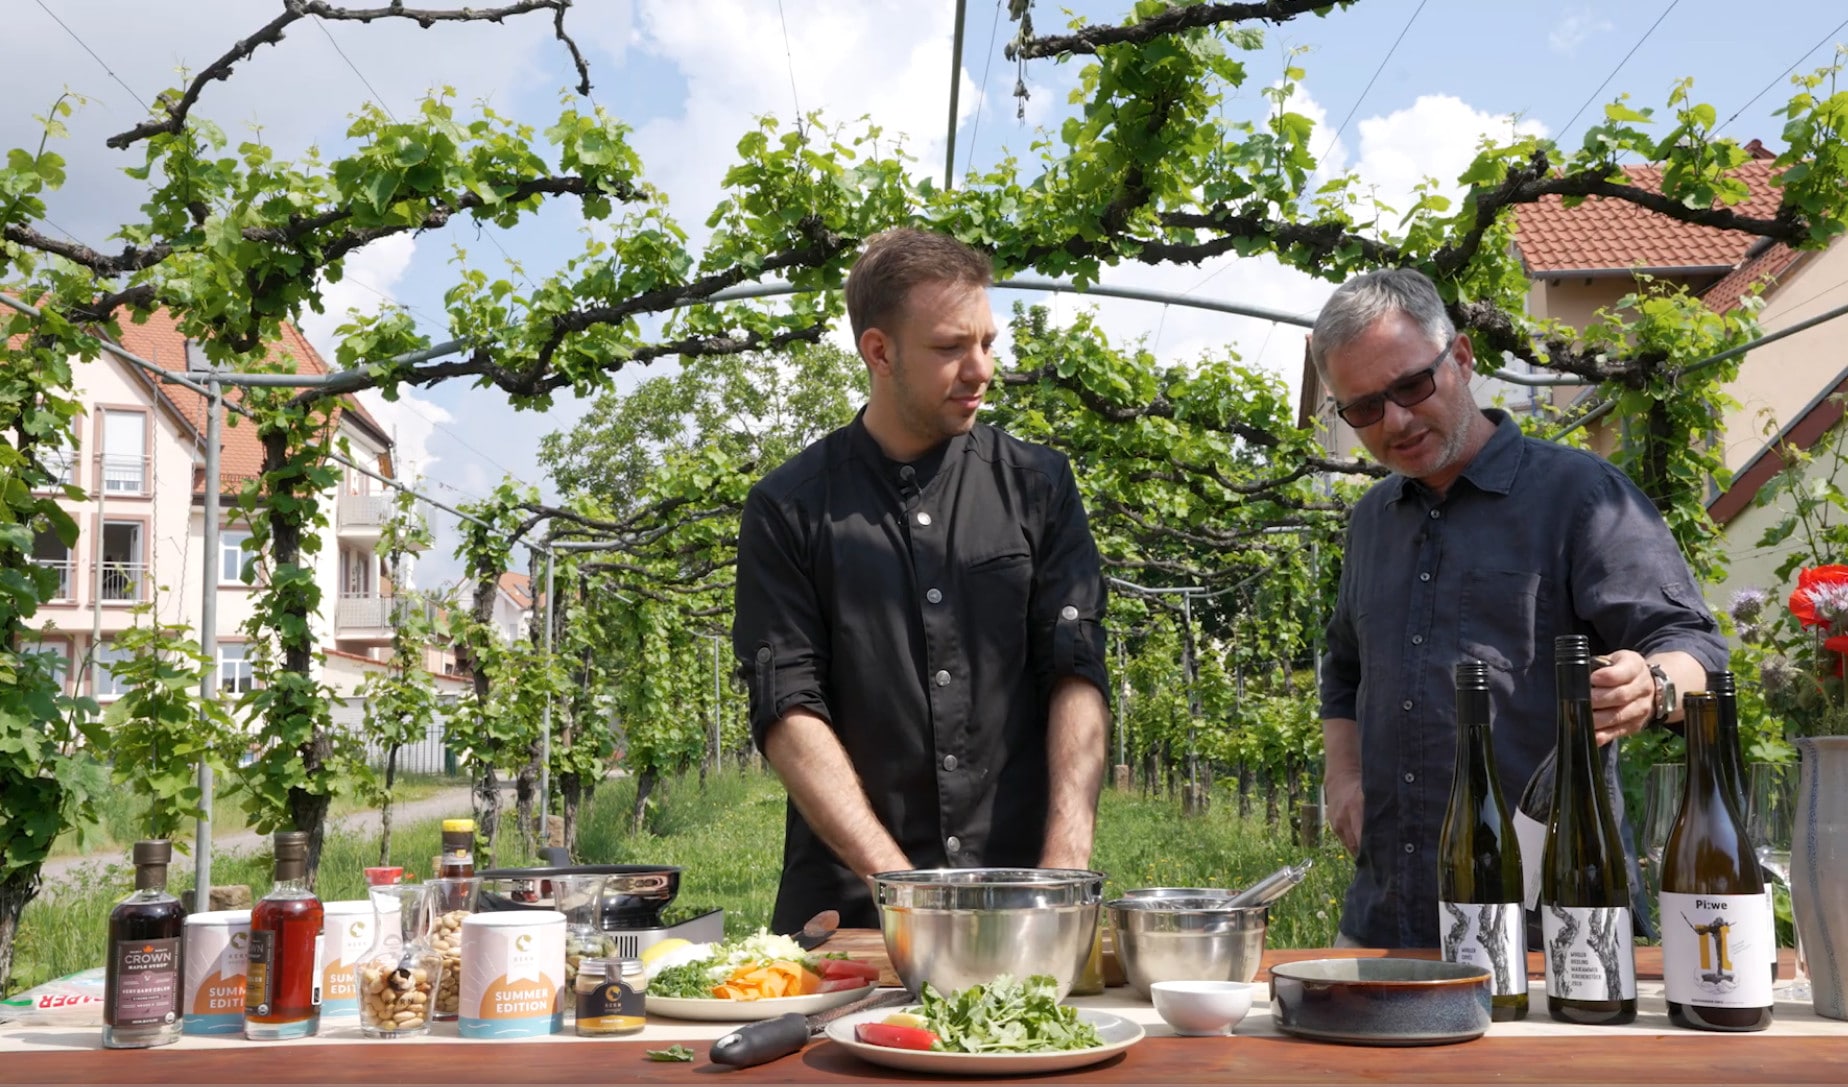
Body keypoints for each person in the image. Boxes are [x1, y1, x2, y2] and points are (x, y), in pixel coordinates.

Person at [1312, 267, 1728, 949]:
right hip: (1387, 919)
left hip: (1554, 927)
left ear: (1464, 358)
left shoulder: (1580, 496)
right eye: (1362, 408)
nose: (1396, 421)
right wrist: (1344, 774)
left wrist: (1652, 685)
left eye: (1412, 385)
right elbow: (1345, 666)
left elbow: (1697, 648)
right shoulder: (1371, 523)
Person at [731, 227, 1112, 933]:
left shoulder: (1040, 486)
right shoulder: (790, 508)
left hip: (1021, 908)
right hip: (850, 920)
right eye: (950, 348)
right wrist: (905, 894)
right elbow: (787, 707)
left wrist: (1062, 873)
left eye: (988, 343)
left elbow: (1076, 669)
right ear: (879, 351)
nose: (981, 369)